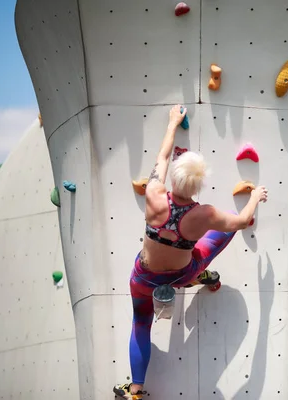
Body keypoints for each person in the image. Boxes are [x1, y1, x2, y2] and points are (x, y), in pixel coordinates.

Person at [113, 105, 268, 399]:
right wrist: (255, 198)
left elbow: (162, 155)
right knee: (223, 232)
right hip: (181, 274)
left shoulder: (154, 192)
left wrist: (172, 123)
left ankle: (135, 391)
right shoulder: (204, 214)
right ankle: (198, 278)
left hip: (143, 279)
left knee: (141, 324)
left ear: (174, 177)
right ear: (198, 186)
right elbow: (241, 222)